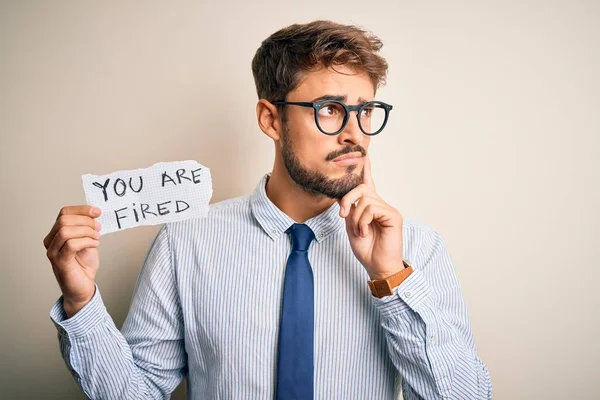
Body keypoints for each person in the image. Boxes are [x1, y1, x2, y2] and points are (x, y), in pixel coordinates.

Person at [44, 20, 492, 399]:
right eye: (331, 110)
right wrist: (82, 304)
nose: (355, 133)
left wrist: (391, 278)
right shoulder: (186, 244)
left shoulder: (417, 249)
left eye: (366, 110)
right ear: (271, 119)